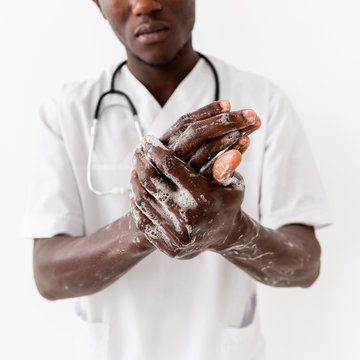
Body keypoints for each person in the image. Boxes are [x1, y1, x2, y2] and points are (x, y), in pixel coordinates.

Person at [20, 0, 331, 359]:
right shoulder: (65, 112)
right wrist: (147, 223)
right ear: (98, 6)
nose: (144, 5)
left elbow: (305, 265)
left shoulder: (263, 103)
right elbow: (48, 276)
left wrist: (230, 232)